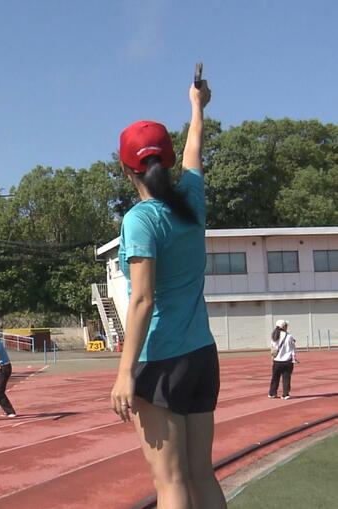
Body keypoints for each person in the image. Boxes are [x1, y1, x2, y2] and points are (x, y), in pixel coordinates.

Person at [109, 78, 226, 508]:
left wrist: (124, 373)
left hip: (160, 360)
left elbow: (142, 300)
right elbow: (196, 145)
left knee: (170, 482)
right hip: (202, 354)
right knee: (202, 476)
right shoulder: (192, 200)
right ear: (170, 161)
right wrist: (197, 105)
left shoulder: (140, 221)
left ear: (126, 170)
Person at [269, 320, 297, 399]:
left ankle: (272, 393)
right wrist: (294, 358)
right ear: (284, 327)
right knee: (286, 378)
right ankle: (285, 394)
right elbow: (293, 348)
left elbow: (272, 348)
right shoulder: (289, 336)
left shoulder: (274, 336)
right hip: (287, 361)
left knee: (275, 377)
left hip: (277, 360)